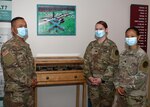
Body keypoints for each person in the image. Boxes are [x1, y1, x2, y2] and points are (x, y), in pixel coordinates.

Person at [1, 17, 37, 107]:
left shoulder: (26, 45)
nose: (24, 28)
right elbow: (12, 70)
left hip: (28, 93)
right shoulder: (8, 46)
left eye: (25, 26)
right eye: (20, 26)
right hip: (16, 95)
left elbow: (31, 66)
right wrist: (29, 81)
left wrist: (34, 78)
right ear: (13, 29)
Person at [83, 20, 119, 107]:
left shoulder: (112, 46)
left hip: (106, 86)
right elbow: (86, 62)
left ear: (106, 30)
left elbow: (113, 65)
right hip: (92, 84)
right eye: (96, 29)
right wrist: (90, 77)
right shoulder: (91, 45)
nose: (98, 31)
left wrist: (101, 79)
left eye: (100, 29)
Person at [114, 27, 149, 107]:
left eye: (132, 36)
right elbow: (116, 70)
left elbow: (141, 77)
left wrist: (125, 88)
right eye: (127, 36)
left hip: (135, 98)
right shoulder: (122, 54)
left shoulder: (142, 55)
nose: (129, 38)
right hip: (121, 95)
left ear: (139, 37)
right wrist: (117, 86)